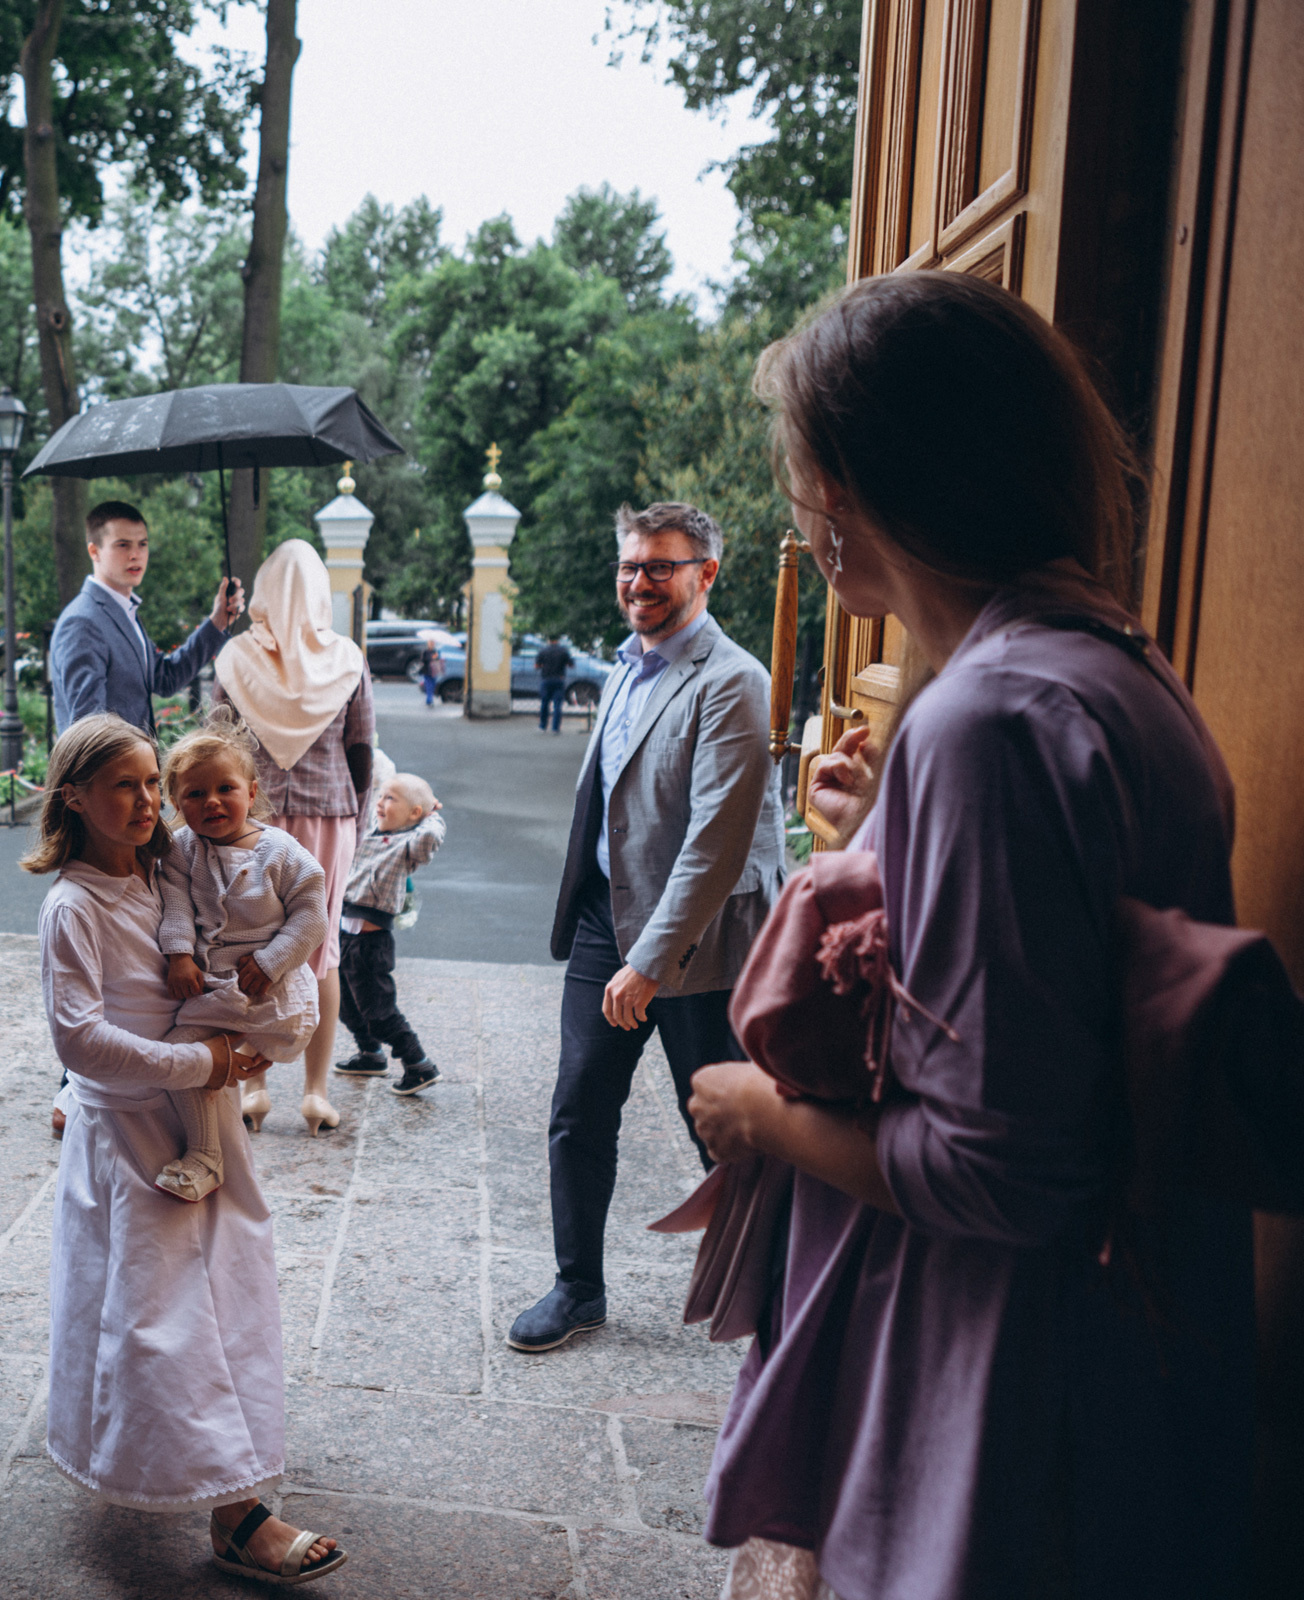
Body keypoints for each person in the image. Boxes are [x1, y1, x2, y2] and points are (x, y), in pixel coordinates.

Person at [689, 270, 1253, 1600]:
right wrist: (882, 831)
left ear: (852, 496)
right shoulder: (1105, 664)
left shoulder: (986, 720)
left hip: (997, 1355)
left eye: (807, 473)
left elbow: (1004, 1171)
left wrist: (758, 1111)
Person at [24, 715, 343, 1587]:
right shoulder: (74, 906)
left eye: (150, 784)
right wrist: (203, 1060)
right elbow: (80, 1040)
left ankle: (197, 1470)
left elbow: (263, 908)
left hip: (198, 1117)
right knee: (161, 1315)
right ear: (74, 798)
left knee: (223, 1294)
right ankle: (236, 1518)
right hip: (131, 1134)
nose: (147, 802)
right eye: (125, 786)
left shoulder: (170, 867)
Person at [506, 502, 784, 1355]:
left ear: (706, 573)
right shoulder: (627, 666)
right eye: (630, 565)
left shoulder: (733, 679)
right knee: (579, 1108)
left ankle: (774, 1300)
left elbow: (715, 843)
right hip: (605, 920)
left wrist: (651, 961)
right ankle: (577, 1287)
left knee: (721, 1125)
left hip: (700, 944)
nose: (639, 582)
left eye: (660, 566)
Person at [211, 539, 375, 1136]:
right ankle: (315, 1092)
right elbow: (362, 749)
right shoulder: (347, 660)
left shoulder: (234, 660)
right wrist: (353, 815)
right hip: (329, 821)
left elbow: (215, 749)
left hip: (252, 819)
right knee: (320, 950)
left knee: (246, 945)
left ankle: (252, 1087)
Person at [153, 715, 327, 1202]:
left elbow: (312, 917)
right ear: (175, 802)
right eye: (194, 794)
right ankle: (207, 1156)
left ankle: (230, 1116)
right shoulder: (182, 851)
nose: (211, 801)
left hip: (272, 997)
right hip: (215, 995)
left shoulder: (281, 852)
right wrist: (180, 954)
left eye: (224, 788)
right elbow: (176, 904)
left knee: (221, 1065)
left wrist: (272, 961)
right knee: (185, 1057)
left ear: (251, 793)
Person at [48, 500, 245, 737]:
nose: (135, 555)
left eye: (142, 544)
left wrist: (218, 621)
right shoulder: (83, 622)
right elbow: (88, 732)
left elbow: (166, 678)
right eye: (123, 545)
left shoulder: (123, 612)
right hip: (110, 772)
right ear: (94, 551)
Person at [333, 772, 447, 1093]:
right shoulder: (372, 831)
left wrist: (431, 813)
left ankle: (418, 1064)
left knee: (379, 1011)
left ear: (414, 814)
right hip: (344, 934)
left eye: (391, 799)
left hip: (370, 944)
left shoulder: (408, 845)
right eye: (381, 796)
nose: (381, 804)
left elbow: (432, 836)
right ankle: (370, 1055)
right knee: (346, 1005)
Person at [534, 635, 574, 733]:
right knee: (557, 705)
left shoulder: (543, 651)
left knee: (544, 704)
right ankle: (555, 728)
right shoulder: (563, 651)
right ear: (558, 640)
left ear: (549, 640)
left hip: (546, 679)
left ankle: (542, 726)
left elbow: (536, 666)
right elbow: (571, 665)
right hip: (559, 679)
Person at [418, 638, 444, 709]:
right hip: (427, 671)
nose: (432, 644)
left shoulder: (436, 651)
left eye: (432, 643)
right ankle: (429, 700)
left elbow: (438, 659)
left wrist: (435, 657)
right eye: (430, 643)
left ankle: (429, 699)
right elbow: (422, 660)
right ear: (428, 644)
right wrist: (430, 659)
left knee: (432, 685)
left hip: (434, 671)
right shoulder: (425, 651)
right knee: (429, 685)